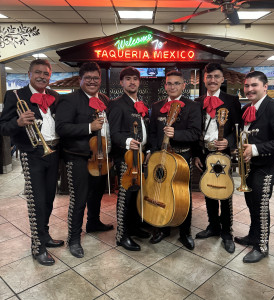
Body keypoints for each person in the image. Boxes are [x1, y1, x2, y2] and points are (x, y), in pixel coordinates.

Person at [0, 59, 64, 266]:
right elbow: (3, 127)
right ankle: (37, 247)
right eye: (38, 72)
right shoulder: (15, 95)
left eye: (46, 73)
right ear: (29, 74)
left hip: (53, 152)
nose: (42, 77)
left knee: (49, 199)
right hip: (32, 152)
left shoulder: (54, 96)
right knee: (36, 201)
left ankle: (44, 235)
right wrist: (17, 122)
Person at [235, 71, 274, 263]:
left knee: (260, 206)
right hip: (249, 168)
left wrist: (256, 149)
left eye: (254, 85)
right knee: (251, 204)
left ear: (265, 86)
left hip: (266, 167)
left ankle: (262, 246)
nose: (250, 89)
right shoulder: (247, 108)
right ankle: (253, 237)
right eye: (247, 86)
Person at [55, 62, 113, 258]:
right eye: (87, 78)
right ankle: (73, 239)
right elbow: (62, 128)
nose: (92, 81)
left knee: (96, 194)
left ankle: (93, 223)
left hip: (100, 157)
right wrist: (89, 127)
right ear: (80, 79)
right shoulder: (69, 100)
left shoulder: (104, 99)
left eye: (95, 78)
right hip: (78, 158)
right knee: (79, 200)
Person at [149, 70, 202, 250]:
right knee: (162, 190)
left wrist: (176, 134)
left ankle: (185, 232)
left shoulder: (193, 106)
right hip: (161, 156)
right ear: (165, 86)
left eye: (176, 83)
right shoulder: (156, 106)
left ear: (183, 85)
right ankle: (162, 228)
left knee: (182, 195)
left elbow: (196, 133)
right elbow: (153, 133)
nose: (173, 87)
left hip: (182, 156)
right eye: (169, 83)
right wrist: (153, 152)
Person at [194, 63, 242, 254]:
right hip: (205, 152)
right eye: (209, 76)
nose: (212, 80)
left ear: (222, 80)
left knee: (225, 192)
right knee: (208, 189)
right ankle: (213, 226)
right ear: (204, 79)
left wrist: (228, 142)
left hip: (222, 154)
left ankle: (227, 232)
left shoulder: (232, 100)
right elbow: (196, 130)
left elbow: (238, 128)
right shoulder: (197, 101)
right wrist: (197, 153)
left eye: (216, 76)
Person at [108, 66, 151, 251]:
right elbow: (113, 133)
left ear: (139, 82)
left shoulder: (140, 103)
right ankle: (121, 235)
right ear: (121, 82)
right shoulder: (117, 104)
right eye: (128, 79)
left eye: (135, 79)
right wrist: (127, 141)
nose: (132, 82)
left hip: (141, 157)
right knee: (125, 196)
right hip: (125, 158)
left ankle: (133, 227)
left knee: (135, 194)